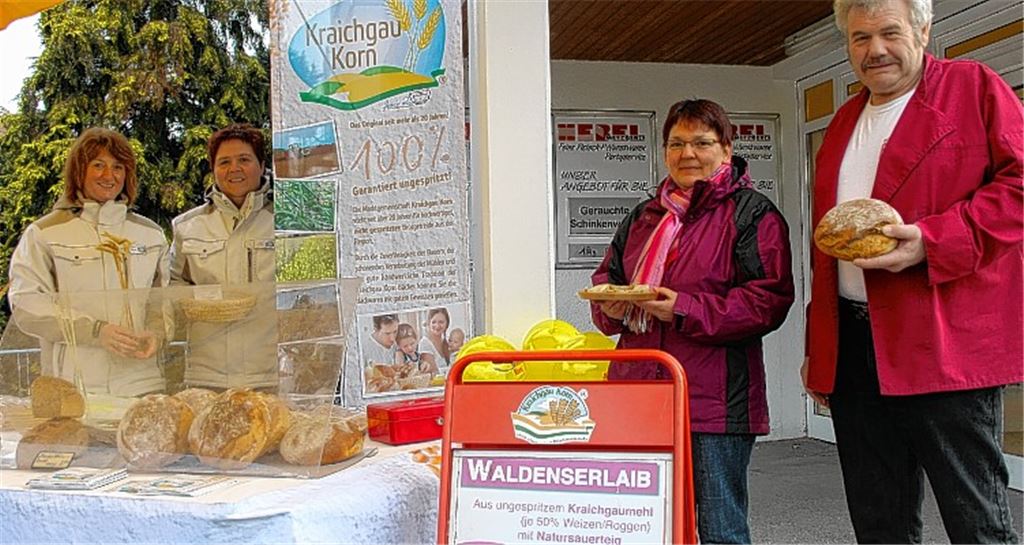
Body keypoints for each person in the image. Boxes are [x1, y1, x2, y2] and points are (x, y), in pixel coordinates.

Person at [802, 0, 1023, 542]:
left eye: (889, 32)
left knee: (975, 520)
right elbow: (827, 247)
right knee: (879, 522)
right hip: (855, 346)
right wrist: (819, 346)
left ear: (923, 31)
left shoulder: (973, 88)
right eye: (859, 38)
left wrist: (932, 241)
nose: (874, 50)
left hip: (942, 338)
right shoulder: (843, 121)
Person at [590, 99, 794, 544]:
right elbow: (609, 278)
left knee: (720, 530)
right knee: (642, 526)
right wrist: (610, 306)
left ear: (726, 149)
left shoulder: (751, 213)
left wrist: (682, 308)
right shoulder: (643, 217)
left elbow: (768, 301)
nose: (688, 154)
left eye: (702, 142)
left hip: (714, 404)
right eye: (677, 143)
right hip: (638, 396)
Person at [8, 127, 169, 396]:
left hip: (142, 383)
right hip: (75, 384)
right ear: (78, 171)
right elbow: (27, 306)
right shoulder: (45, 233)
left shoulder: (150, 234)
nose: (109, 175)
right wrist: (95, 331)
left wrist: (157, 333)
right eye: (98, 165)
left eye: (118, 167)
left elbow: (162, 300)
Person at [170, 123, 276, 389]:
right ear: (213, 169)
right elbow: (172, 288)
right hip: (207, 374)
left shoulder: (284, 223)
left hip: (270, 373)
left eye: (244, 160)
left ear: (262, 165)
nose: (234, 169)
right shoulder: (187, 226)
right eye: (224, 162)